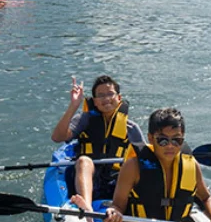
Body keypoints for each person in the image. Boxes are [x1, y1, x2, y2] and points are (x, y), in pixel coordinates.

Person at [51, 75, 145, 212]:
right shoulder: (84, 119)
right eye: (100, 95)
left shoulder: (131, 127)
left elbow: (145, 159)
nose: (106, 99)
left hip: (117, 181)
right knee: (84, 160)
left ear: (119, 97)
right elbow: (57, 137)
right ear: (94, 101)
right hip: (88, 177)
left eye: (110, 94)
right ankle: (87, 208)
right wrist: (74, 105)